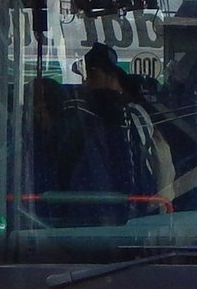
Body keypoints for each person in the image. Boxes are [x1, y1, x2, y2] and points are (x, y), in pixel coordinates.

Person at [63, 43, 167, 217]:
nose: (87, 83)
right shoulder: (84, 114)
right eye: (85, 77)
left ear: (111, 76)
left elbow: (140, 163)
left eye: (93, 76)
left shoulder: (134, 114)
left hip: (132, 208)